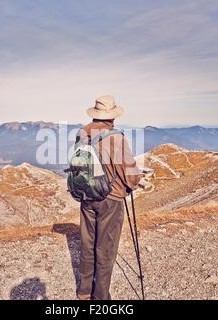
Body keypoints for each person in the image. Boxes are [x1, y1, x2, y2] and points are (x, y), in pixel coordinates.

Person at [75, 95, 141, 300]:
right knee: (106, 247)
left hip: (87, 195)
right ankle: (101, 297)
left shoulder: (82, 133)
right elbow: (128, 172)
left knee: (88, 243)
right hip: (110, 198)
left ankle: (84, 291)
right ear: (112, 117)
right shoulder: (116, 137)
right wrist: (133, 183)